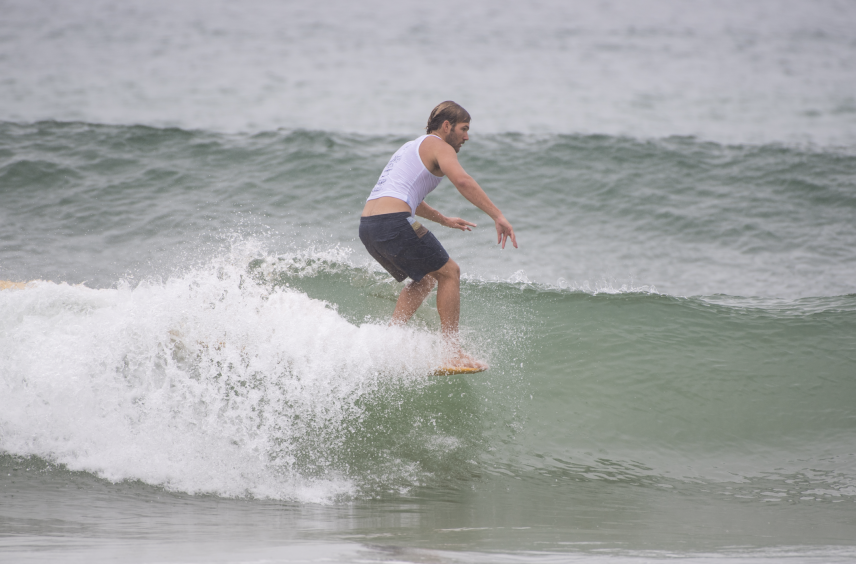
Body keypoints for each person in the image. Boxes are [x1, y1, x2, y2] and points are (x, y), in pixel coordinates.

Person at [359, 101, 517, 369]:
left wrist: (443, 219)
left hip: (369, 226)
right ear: (447, 126)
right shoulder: (439, 145)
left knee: (425, 280)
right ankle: (452, 353)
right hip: (394, 222)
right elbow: (463, 181)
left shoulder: (409, 148)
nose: (467, 136)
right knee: (450, 273)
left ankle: (389, 340)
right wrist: (498, 216)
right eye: (464, 129)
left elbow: (409, 198)